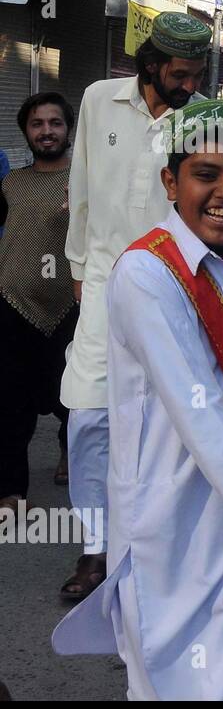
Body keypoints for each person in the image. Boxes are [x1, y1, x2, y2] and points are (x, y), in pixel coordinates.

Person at [51, 100, 223, 700]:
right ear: (170, 181)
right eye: (206, 174)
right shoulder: (146, 274)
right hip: (176, 533)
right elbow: (198, 413)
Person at [60, 11, 211, 601]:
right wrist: (76, 269)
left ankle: (152, 548)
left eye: (198, 75)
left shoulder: (200, 119)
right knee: (89, 413)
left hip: (172, 285)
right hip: (101, 280)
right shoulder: (99, 99)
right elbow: (82, 185)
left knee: (169, 418)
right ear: (151, 65)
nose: (190, 86)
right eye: (181, 74)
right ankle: (95, 549)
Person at [0, 94, 78, 512]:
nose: (46, 131)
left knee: (73, 399)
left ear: (68, 129)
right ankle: (11, 490)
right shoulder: (10, 184)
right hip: (12, 307)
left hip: (73, 306)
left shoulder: (84, 182)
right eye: (36, 124)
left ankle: (71, 456)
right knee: (10, 402)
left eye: (55, 123)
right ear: (26, 131)